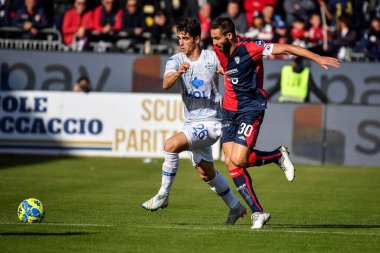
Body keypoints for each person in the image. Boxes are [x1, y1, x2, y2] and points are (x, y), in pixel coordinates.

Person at [210, 17, 340, 229]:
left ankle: (277, 155)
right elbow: (227, 66)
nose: (214, 43)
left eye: (217, 38)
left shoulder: (252, 47)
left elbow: (287, 48)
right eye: (212, 38)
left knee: (239, 158)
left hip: (250, 110)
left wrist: (317, 58)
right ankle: (258, 213)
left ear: (229, 36)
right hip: (228, 111)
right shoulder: (218, 48)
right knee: (231, 162)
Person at [142, 18, 247, 226]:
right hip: (191, 123)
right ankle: (236, 207)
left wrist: (225, 71)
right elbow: (165, 84)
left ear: (197, 39)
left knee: (170, 145)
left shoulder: (211, 57)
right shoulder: (175, 60)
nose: (181, 43)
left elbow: (229, 70)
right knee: (205, 173)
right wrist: (179, 72)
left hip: (212, 122)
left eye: (186, 39)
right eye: (179, 38)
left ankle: (163, 195)